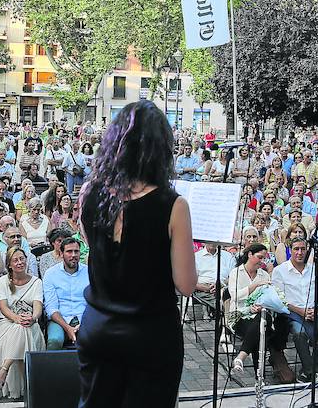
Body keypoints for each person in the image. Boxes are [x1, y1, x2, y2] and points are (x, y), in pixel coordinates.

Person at [77, 100, 197, 406]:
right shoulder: (174, 205)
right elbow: (186, 285)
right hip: (150, 336)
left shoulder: (89, 192)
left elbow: (98, 253)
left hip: (99, 329)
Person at [272, 237, 318, 382]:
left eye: (303, 249)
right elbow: (280, 300)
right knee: (299, 333)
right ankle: (310, 371)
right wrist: (300, 311)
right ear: (290, 250)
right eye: (296, 249)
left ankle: (312, 367)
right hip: (292, 314)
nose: (300, 252)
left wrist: (317, 309)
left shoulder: (312, 269)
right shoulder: (280, 271)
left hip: (313, 312)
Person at [227, 244, 293, 383]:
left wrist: (261, 305)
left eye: (264, 258)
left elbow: (269, 297)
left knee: (262, 324)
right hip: (239, 315)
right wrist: (254, 286)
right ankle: (259, 377)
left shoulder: (264, 274)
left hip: (260, 316)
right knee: (261, 331)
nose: (262, 261)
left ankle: (241, 357)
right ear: (250, 254)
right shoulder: (236, 272)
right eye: (259, 257)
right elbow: (235, 296)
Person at [0, 248, 46, 402]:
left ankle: (4, 370)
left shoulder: (36, 282)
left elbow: (38, 306)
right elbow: (3, 307)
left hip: (30, 323)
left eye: (22, 259)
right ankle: (31, 388)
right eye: (15, 260)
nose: (20, 262)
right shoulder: (2, 282)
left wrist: (33, 318)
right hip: (7, 322)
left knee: (24, 329)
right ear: (9, 264)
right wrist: (17, 318)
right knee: (21, 328)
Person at [42, 237, 89, 349]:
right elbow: (51, 307)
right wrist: (68, 328)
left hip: (85, 318)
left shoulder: (89, 272)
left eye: (76, 251)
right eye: (69, 251)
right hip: (60, 319)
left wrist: (83, 323)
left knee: (96, 338)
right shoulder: (51, 274)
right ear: (61, 254)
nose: (73, 255)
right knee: (54, 341)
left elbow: (93, 302)